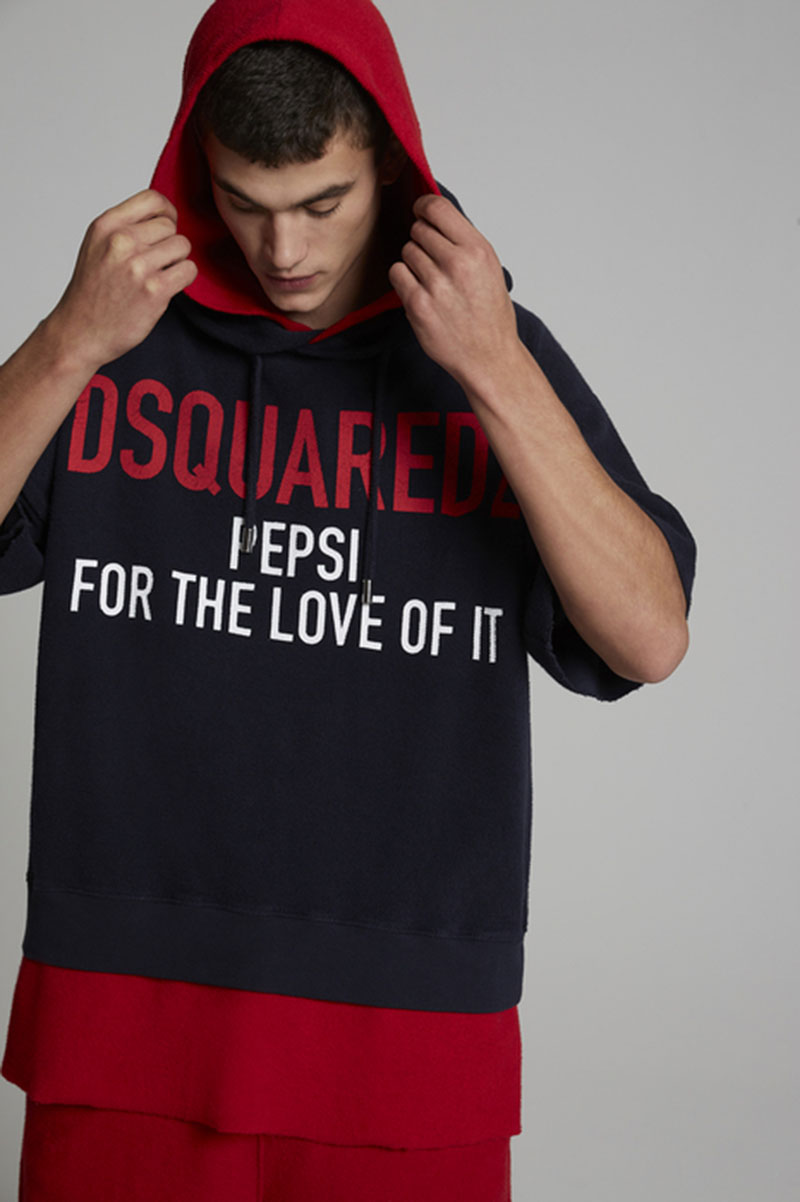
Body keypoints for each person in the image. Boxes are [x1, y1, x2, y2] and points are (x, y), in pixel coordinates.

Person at [0, 0, 697, 1198]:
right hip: (122, 1000)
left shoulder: (484, 350)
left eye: (321, 202)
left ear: (389, 165)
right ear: (194, 172)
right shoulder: (113, 340)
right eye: (245, 203)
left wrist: (491, 363)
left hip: (407, 1020)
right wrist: (67, 339)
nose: (284, 250)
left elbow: (648, 634)